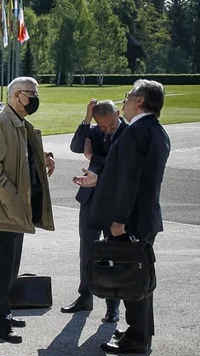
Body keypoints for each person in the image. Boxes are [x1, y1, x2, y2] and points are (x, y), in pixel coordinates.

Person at [74, 80, 170, 354]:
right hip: (146, 216)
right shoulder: (156, 130)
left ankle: (137, 338)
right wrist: (98, 179)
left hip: (131, 219)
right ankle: (141, 331)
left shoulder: (136, 132)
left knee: (131, 277)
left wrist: (119, 219)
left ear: (139, 101)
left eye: (129, 96)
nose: (125, 100)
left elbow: (130, 181)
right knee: (141, 274)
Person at [0, 76, 56, 344]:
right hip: (1, 211)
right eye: (30, 93)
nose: (35, 98)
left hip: (14, 210)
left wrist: (40, 157)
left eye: (36, 93)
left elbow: (19, 158)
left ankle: (0, 312)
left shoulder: (18, 123)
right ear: (15, 96)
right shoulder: (0, 123)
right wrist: (11, 199)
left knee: (10, 268)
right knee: (2, 269)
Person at [61, 99, 128, 322]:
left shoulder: (129, 133)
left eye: (110, 125)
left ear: (118, 113)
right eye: (102, 127)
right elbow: (75, 146)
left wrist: (93, 158)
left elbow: (120, 164)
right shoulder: (94, 129)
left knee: (113, 254)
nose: (107, 130)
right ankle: (85, 296)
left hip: (114, 201)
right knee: (87, 250)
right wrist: (87, 118)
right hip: (91, 199)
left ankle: (112, 306)